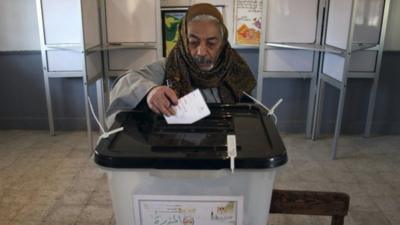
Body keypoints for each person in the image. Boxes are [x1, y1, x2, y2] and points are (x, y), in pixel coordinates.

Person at [106, 3, 256, 127]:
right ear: (184, 40)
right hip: (179, 148)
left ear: (222, 42)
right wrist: (150, 91)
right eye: (193, 42)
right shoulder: (168, 66)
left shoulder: (236, 69)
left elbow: (248, 117)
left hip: (224, 149)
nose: (201, 51)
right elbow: (124, 81)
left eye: (211, 43)